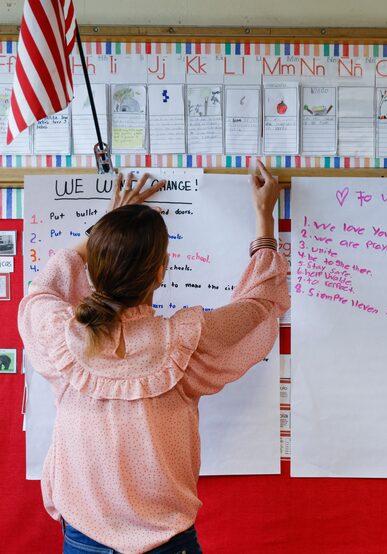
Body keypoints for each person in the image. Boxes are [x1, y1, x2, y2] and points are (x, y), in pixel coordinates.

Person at [18, 162, 290, 554]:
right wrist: (265, 218)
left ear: (95, 269)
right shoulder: (186, 340)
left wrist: (107, 225)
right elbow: (259, 303)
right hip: (168, 543)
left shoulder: (62, 336)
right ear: (161, 271)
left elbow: (43, 287)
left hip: (84, 541)